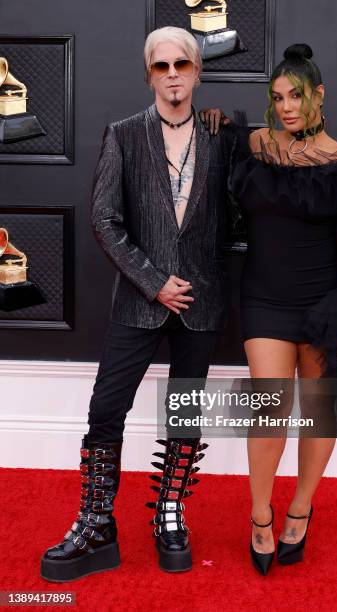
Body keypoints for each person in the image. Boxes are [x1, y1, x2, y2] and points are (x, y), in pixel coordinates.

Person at [205, 43, 337, 575]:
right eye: (277, 97)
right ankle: (259, 515)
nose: (286, 106)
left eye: (296, 95)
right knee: (269, 410)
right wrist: (214, 119)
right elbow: (220, 144)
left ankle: (300, 506)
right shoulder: (255, 145)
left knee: (319, 415)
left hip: (324, 303)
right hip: (263, 299)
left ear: (319, 95)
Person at [40, 26, 234, 581]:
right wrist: (153, 281)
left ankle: (170, 514)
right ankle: (97, 523)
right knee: (105, 411)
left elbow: (238, 212)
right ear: (149, 73)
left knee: (184, 414)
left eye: (182, 64)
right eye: (160, 66)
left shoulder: (222, 136)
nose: (172, 74)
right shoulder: (124, 135)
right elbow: (104, 220)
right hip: (139, 299)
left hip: (202, 300)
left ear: (197, 70)